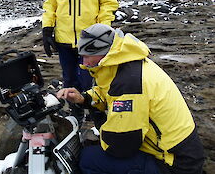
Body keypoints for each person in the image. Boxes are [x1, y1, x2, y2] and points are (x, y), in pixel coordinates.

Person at [57, 23, 205, 174]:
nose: (85, 63)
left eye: (88, 56)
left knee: (89, 159)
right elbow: (107, 91)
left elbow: (121, 146)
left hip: (176, 163)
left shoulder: (128, 83)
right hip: (180, 149)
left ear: (105, 52)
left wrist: (99, 122)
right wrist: (84, 99)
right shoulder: (125, 61)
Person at [42, 0, 119, 124]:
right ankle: (75, 113)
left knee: (92, 81)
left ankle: (95, 114)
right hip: (63, 38)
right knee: (69, 79)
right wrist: (47, 29)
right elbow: (50, 3)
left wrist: (104, 32)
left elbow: (108, 2)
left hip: (91, 41)